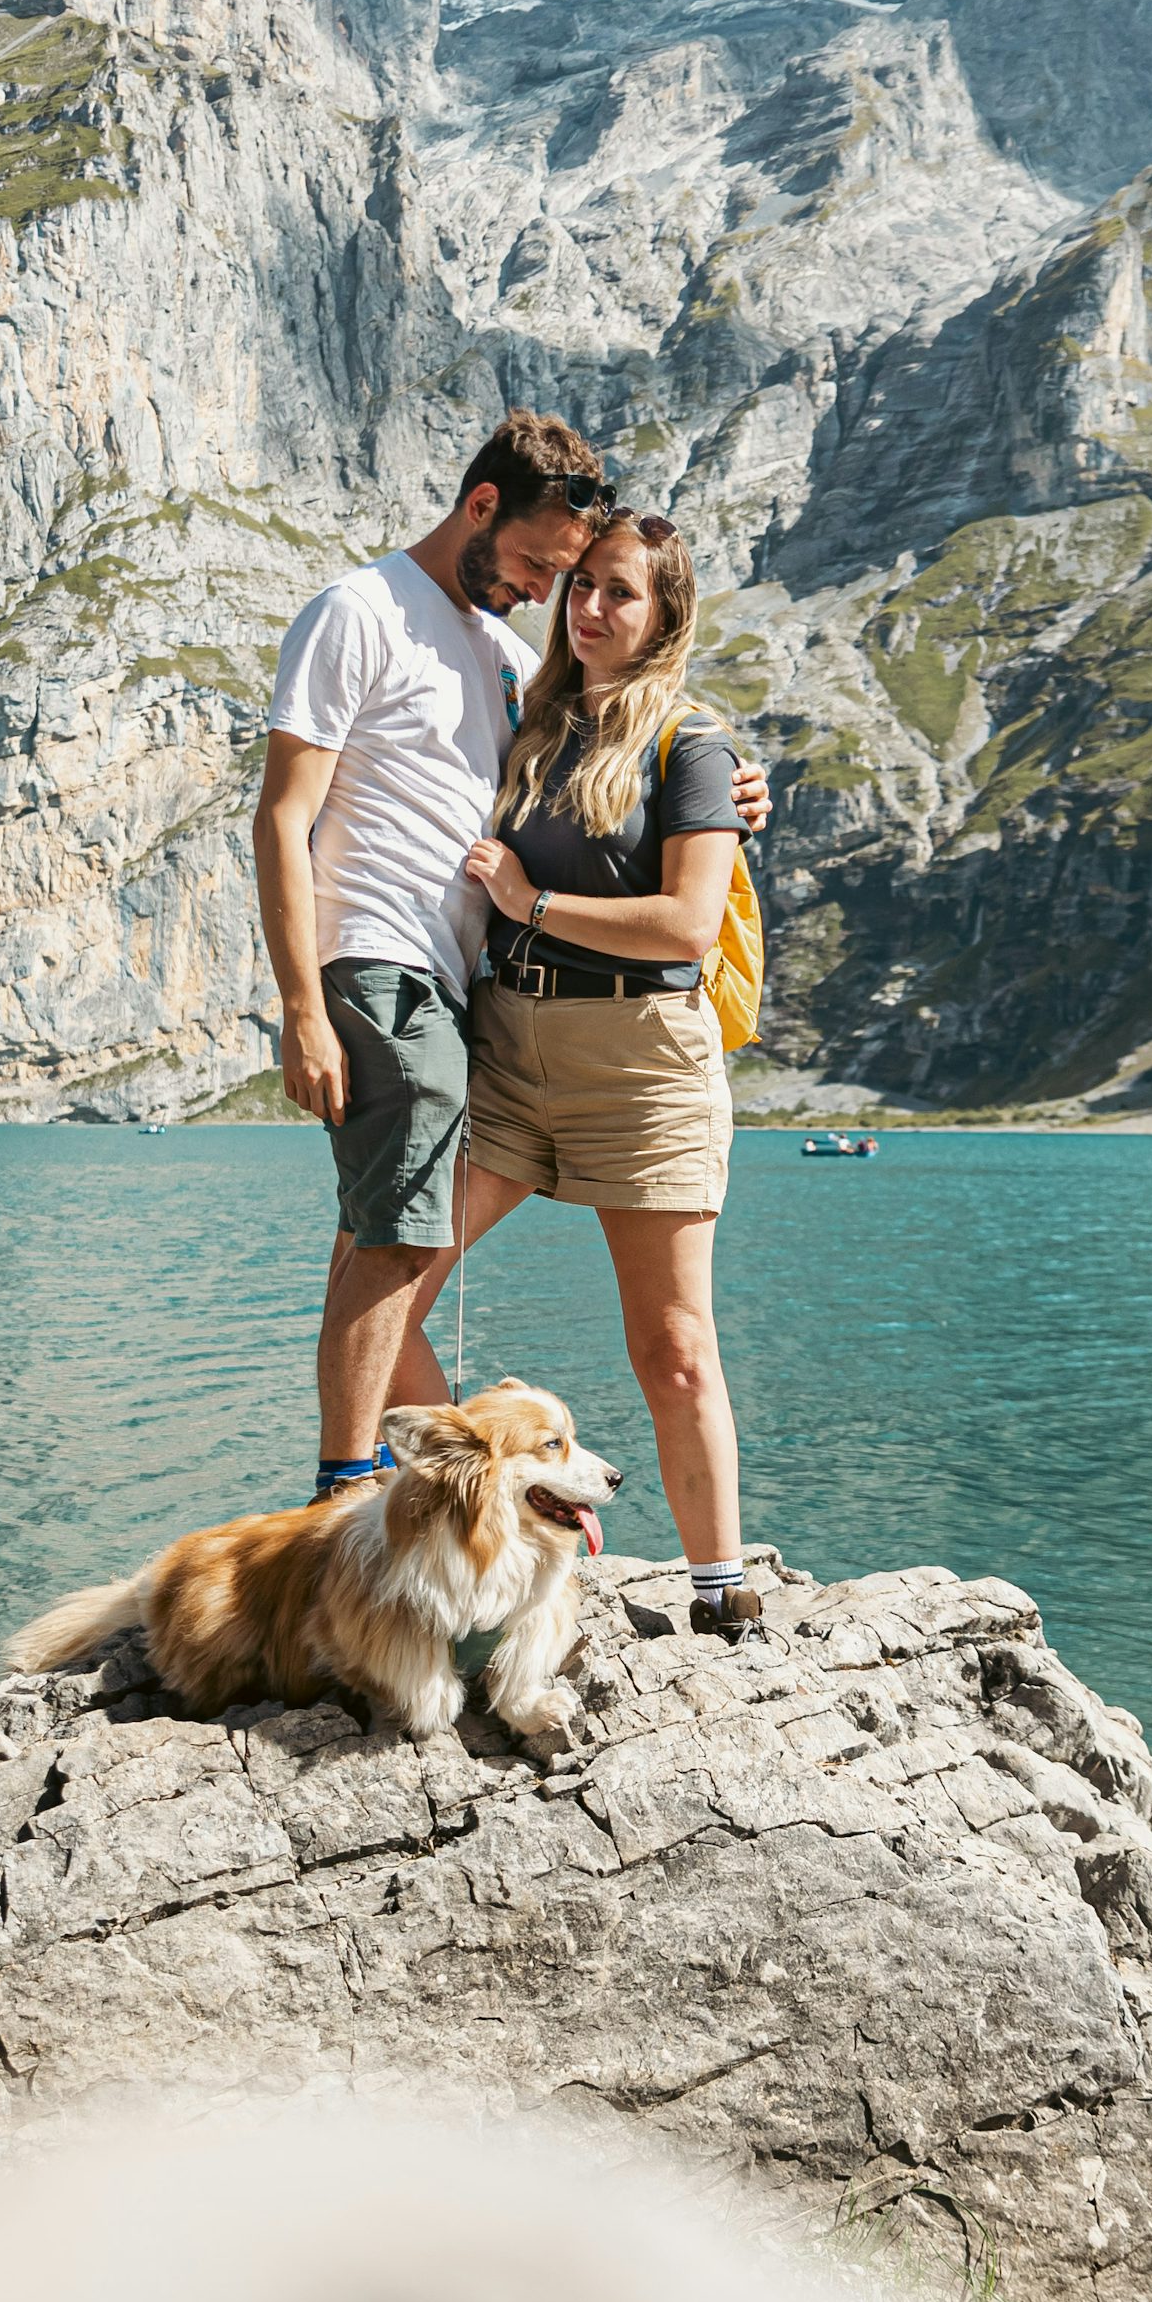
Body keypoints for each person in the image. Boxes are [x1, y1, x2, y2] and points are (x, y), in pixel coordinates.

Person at [252, 416, 764, 1505]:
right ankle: (347, 1495)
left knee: (381, 1249)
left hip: (471, 990)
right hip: (382, 962)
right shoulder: (361, 611)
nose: (555, 595)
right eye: (543, 567)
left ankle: (410, 1497)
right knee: (393, 1246)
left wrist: (734, 793)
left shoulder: (504, 660)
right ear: (480, 508)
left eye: (580, 580)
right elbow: (281, 819)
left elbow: (622, 757)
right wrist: (302, 1007)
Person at [450, 509, 760, 1646]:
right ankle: (450, 1517)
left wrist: (530, 902)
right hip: (509, 1051)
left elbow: (686, 921)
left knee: (671, 1344)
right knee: (385, 1276)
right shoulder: (527, 721)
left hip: (643, 1066)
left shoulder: (694, 744)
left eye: (619, 592)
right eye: (579, 584)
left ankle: (721, 1582)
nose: (588, 607)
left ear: (665, 615)